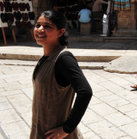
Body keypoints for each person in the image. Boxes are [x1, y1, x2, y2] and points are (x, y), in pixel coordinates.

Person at [31, 10, 92, 139]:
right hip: (41, 130)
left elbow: (85, 92)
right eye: (37, 25)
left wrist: (67, 128)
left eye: (47, 26)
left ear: (60, 32)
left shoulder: (63, 58)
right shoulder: (47, 57)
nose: (40, 29)